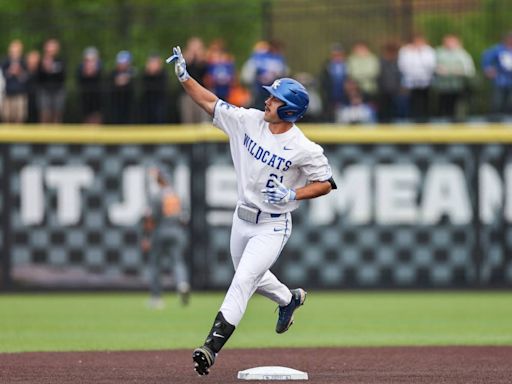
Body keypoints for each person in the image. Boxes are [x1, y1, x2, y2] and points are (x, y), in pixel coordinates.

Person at [166, 46, 336, 376]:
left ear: (288, 111)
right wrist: (186, 77)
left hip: (272, 225)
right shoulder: (248, 121)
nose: (268, 101)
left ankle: (210, 347)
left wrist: (293, 192)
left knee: (243, 280)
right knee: (253, 279)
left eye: (275, 99)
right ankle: (289, 299)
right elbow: (209, 103)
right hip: (241, 219)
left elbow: (327, 183)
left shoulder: (304, 148)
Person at [141, 166, 190, 309]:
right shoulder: (178, 196)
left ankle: (156, 298)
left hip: (160, 231)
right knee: (178, 262)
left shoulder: (157, 196)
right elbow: (185, 218)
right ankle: (182, 284)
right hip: (177, 232)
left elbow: (151, 218)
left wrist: (146, 236)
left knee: (155, 264)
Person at [433, 34, 475, 121]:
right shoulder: (438, 53)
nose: (450, 44)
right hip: (443, 86)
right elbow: (432, 66)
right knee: (443, 105)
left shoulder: (462, 54)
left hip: (458, 85)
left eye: (452, 42)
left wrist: (460, 71)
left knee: (457, 106)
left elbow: (469, 70)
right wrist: (438, 69)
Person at [398, 34, 436, 122]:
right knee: (413, 99)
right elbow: (403, 65)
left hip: (426, 79)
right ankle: (413, 118)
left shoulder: (428, 50)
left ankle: (425, 118)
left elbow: (431, 64)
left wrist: (420, 53)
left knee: (425, 99)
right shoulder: (405, 50)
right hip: (410, 79)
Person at [482, 31, 512, 120]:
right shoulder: (498, 49)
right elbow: (486, 59)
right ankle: (495, 118)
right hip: (501, 79)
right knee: (498, 100)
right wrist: (488, 69)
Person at [178, 37, 209, 124]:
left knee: (203, 121)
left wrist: (200, 60)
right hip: (187, 94)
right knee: (188, 120)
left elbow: (206, 75)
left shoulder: (204, 61)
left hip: (201, 93)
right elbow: (182, 75)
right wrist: (188, 61)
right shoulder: (184, 60)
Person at [37, 38, 66, 123]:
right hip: (44, 91)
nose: (50, 49)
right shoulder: (41, 62)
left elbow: (63, 77)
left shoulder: (61, 61)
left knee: (57, 114)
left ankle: (57, 134)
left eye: (53, 47)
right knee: (44, 113)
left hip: (58, 91)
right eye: (49, 47)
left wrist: (51, 69)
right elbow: (38, 78)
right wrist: (44, 69)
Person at [1, 39, 29, 123]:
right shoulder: (5, 62)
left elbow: (27, 78)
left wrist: (19, 73)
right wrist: (9, 72)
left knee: (19, 116)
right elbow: (2, 77)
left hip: (20, 93)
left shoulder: (23, 62)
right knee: (7, 116)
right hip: (7, 93)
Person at [319, 43, 347, 122]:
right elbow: (323, 80)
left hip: (343, 95)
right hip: (330, 95)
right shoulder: (327, 66)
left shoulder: (347, 65)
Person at [77, 47, 103, 124]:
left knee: (96, 116)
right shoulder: (80, 70)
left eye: (92, 60)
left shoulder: (100, 70)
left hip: (97, 99)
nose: (90, 63)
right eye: (88, 60)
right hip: (85, 99)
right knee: (86, 118)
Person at [141, 54, 168, 124]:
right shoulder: (144, 75)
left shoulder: (163, 74)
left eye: (154, 63)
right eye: (151, 63)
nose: (153, 65)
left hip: (160, 105)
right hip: (147, 106)